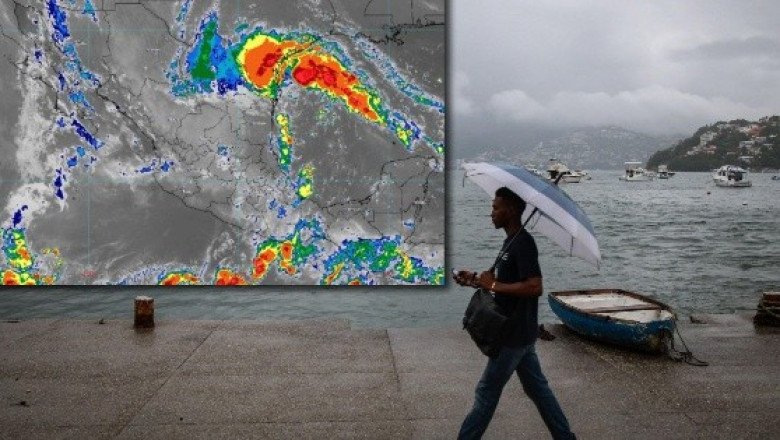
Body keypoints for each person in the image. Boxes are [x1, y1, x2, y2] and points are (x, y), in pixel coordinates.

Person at [453, 186, 576, 440]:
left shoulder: (523, 243)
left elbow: (535, 285)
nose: (492, 213)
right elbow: (503, 286)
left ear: (510, 211)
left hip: (512, 334)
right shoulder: (511, 241)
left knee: (486, 393)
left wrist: (494, 285)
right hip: (522, 332)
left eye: (496, 208)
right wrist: (475, 279)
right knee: (538, 389)